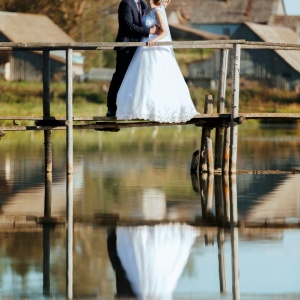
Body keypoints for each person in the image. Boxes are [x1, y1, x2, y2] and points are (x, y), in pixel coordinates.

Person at [116, 0, 199, 123]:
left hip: (154, 46)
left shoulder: (158, 11)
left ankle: (158, 108)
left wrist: (155, 40)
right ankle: (142, 108)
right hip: (143, 47)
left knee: (155, 75)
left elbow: (164, 31)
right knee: (142, 77)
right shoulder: (146, 9)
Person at [106, 0, 160, 117]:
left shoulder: (143, 4)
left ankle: (130, 108)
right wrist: (149, 31)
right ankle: (111, 108)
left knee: (136, 78)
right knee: (120, 76)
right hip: (126, 47)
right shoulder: (126, 3)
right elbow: (128, 25)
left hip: (139, 48)